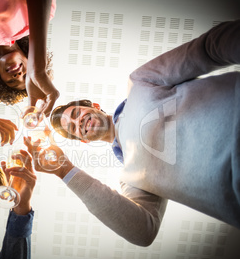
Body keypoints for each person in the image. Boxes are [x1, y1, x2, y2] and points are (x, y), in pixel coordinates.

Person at [26, 20, 240, 246]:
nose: (79, 122)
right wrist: (64, 170)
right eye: (73, 128)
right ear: (84, 140)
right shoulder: (132, 178)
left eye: (77, 112)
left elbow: (207, 49)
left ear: (95, 106)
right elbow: (143, 232)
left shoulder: (141, 83)